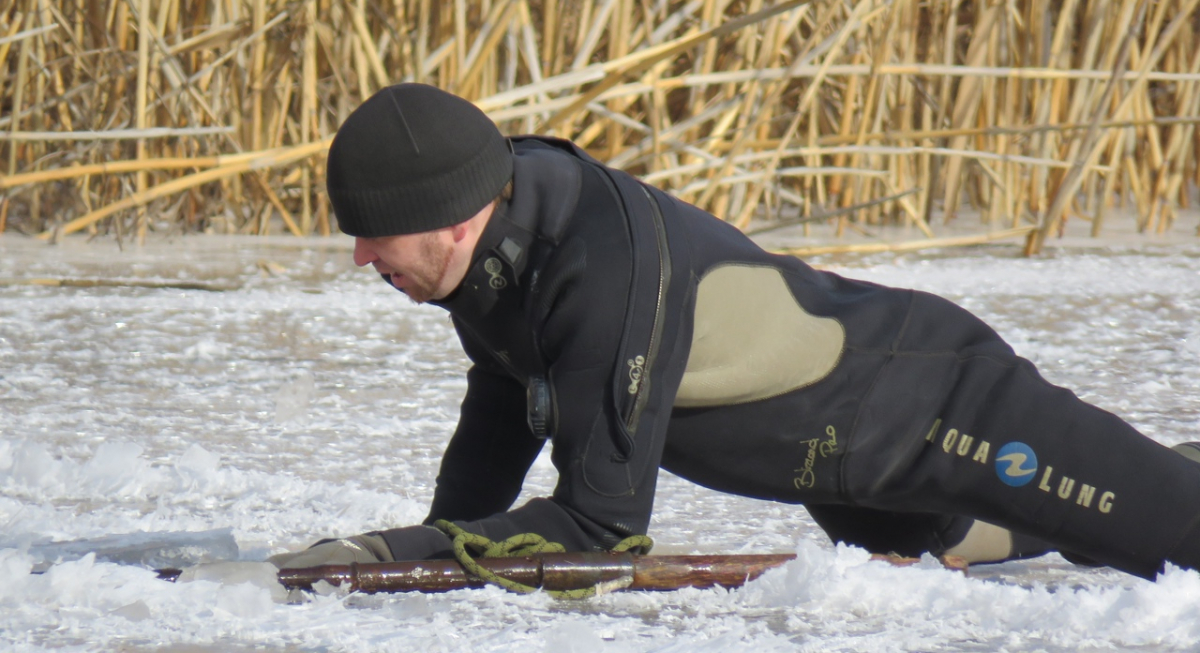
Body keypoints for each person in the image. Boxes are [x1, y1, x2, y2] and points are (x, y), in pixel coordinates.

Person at [275, 83, 1200, 580]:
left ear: (451, 218)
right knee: (951, 546)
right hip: (850, 485)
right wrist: (436, 539)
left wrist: (398, 554)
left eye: (374, 235)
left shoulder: (594, 264)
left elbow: (600, 529)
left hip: (940, 405)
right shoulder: (490, 260)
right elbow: (507, 404)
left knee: (1176, 535)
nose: (360, 256)